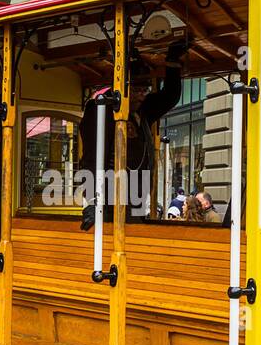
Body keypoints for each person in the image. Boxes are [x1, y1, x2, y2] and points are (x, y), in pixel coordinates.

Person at [79, 40, 187, 229]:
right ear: (121, 87)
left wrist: (172, 62)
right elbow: (91, 157)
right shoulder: (100, 110)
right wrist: (92, 200)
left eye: (145, 90)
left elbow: (170, 96)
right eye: (137, 90)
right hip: (109, 199)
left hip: (136, 198)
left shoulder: (142, 109)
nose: (142, 95)